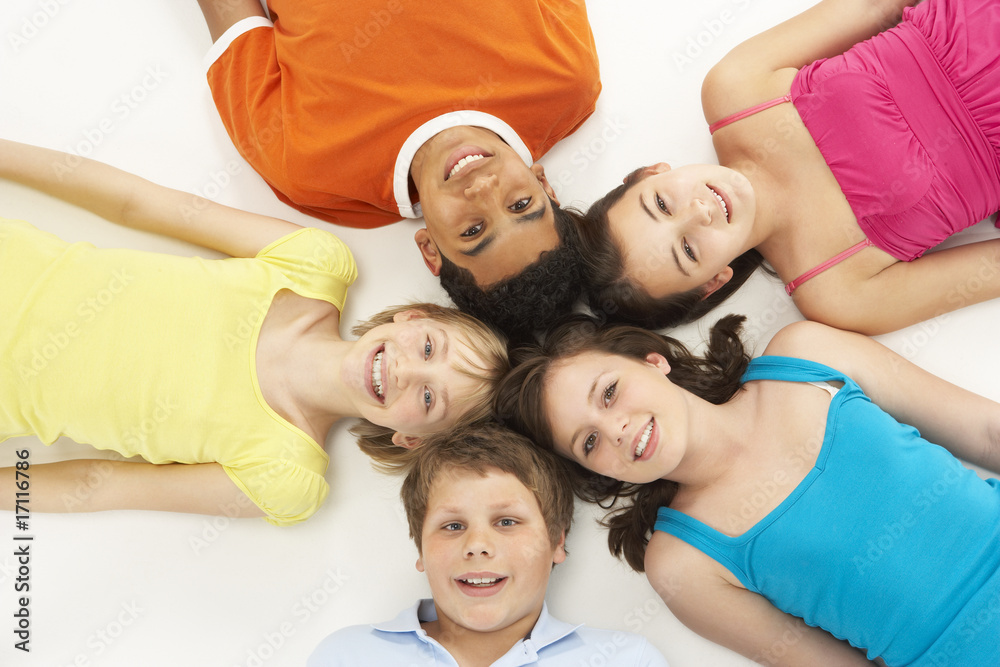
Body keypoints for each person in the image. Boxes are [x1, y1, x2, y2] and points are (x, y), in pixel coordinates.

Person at [0, 138, 509, 526]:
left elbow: (100, 485)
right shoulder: (313, 265)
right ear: (415, 317)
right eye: (427, 349)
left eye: (427, 398)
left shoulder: (285, 477)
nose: (406, 370)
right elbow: (138, 203)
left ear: (411, 439)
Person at [495, 315, 1000, 665]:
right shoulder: (681, 564)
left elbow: (985, 430)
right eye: (589, 442)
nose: (616, 430)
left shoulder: (805, 356)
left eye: (608, 393)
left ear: (654, 361)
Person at [579, 0, 1000, 334]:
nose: (699, 211)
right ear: (714, 282)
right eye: (688, 250)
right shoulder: (837, 292)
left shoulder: (734, 92)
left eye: (662, 203)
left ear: (651, 172)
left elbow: (875, 6)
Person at [195, 0, 601, 339]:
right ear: (545, 185)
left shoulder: (309, 170)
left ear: (429, 250)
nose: (482, 189)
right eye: (520, 204)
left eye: (473, 230)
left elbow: (231, 14)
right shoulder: (565, 78)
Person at [307, 422, 671, 666]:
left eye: (507, 522)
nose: (477, 545)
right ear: (420, 548)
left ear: (557, 540)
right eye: (452, 526)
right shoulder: (347, 656)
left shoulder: (624, 660)